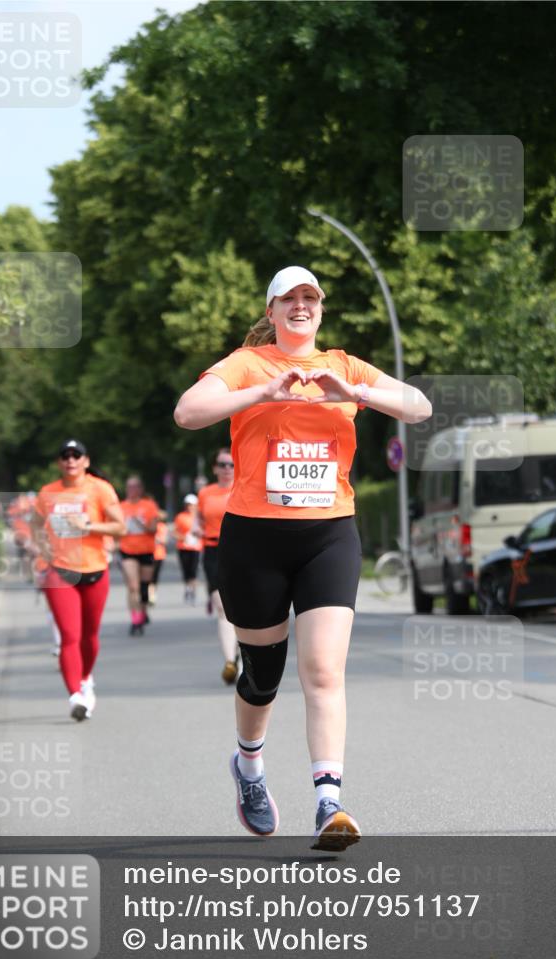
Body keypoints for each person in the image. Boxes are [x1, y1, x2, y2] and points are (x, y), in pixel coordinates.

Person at [174, 265, 431, 850]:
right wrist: (261, 392)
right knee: (261, 677)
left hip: (328, 535)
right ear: (271, 311)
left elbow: (418, 406)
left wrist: (357, 394)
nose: (300, 306)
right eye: (288, 298)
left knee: (323, 670)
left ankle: (328, 802)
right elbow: (188, 412)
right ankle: (249, 766)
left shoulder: (343, 365)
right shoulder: (246, 364)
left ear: (321, 308)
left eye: (310, 298)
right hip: (255, 537)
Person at [31, 439, 125, 721]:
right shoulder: (48, 493)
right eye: (64, 456)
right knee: (69, 636)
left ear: (85, 461)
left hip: (95, 570)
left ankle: (85, 679)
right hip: (60, 572)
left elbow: (119, 527)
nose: (70, 460)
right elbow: (35, 526)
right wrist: (44, 552)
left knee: (89, 635)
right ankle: (75, 695)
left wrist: (88, 526)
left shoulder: (100, 488)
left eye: (76, 455)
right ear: (59, 463)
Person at [197, 448, 239, 684]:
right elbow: (198, 519)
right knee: (222, 607)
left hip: (243, 550)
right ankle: (230, 662)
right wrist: (195, 528)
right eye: (222, 464)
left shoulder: (245, 487)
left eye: (231, 465)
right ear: (214, 468)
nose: (227, 469)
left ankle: (245, 656)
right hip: (213, 550)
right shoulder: (205, 493)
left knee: (245, 608)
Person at [119, 476, 159, 636]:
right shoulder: (121, 507)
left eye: (135, 487)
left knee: (144, 587)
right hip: (127, 550)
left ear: (140, 489)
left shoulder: (149, 506)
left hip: (146, 550)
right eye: (129, 487)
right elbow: (116, 528)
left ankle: (142, 611)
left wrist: (140, 524)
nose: (132, 490)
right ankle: (135, 619)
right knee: (132, 586)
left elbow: (154, 529)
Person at [173, 494, 202, 603]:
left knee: (193, 570)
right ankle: (187, 588)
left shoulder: (199, 517)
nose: (190, 507)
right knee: (185, 570)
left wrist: (199, 534)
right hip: (183, 547)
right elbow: (175, 532)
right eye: (188, 505)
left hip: (196, 547)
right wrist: (183, 537)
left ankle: (192, 592)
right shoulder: (180, 517)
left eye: (192, 505)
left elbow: (204, 530)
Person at [149, 511, 168, 606]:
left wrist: (156, 538)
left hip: (159, 555)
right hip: (148, 553)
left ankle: (152, 594)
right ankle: (149, 595)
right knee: (148, 576)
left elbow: (164, 541)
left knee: (154, 577)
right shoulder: (146, 526)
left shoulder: (162, 527)